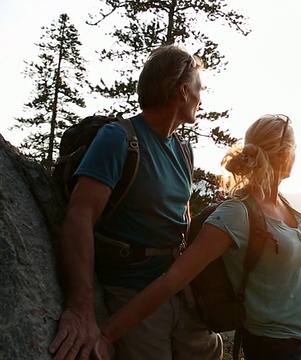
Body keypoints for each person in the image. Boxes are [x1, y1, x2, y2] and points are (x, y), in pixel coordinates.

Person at [93, 114, 301, 360]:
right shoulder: (236, 214)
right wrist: (107, 335)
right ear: (285, 154)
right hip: (277, 344)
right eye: (294, 148)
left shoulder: (279, 200)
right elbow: (173, 278)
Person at [49, 44, 223, 360]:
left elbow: (180, 217)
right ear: (183, 92)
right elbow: (79, 217)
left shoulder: (182, 149)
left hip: (176, 292)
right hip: (131, 294)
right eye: (200, 88)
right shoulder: (118, 139)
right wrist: (82, 309)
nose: (202, 97)